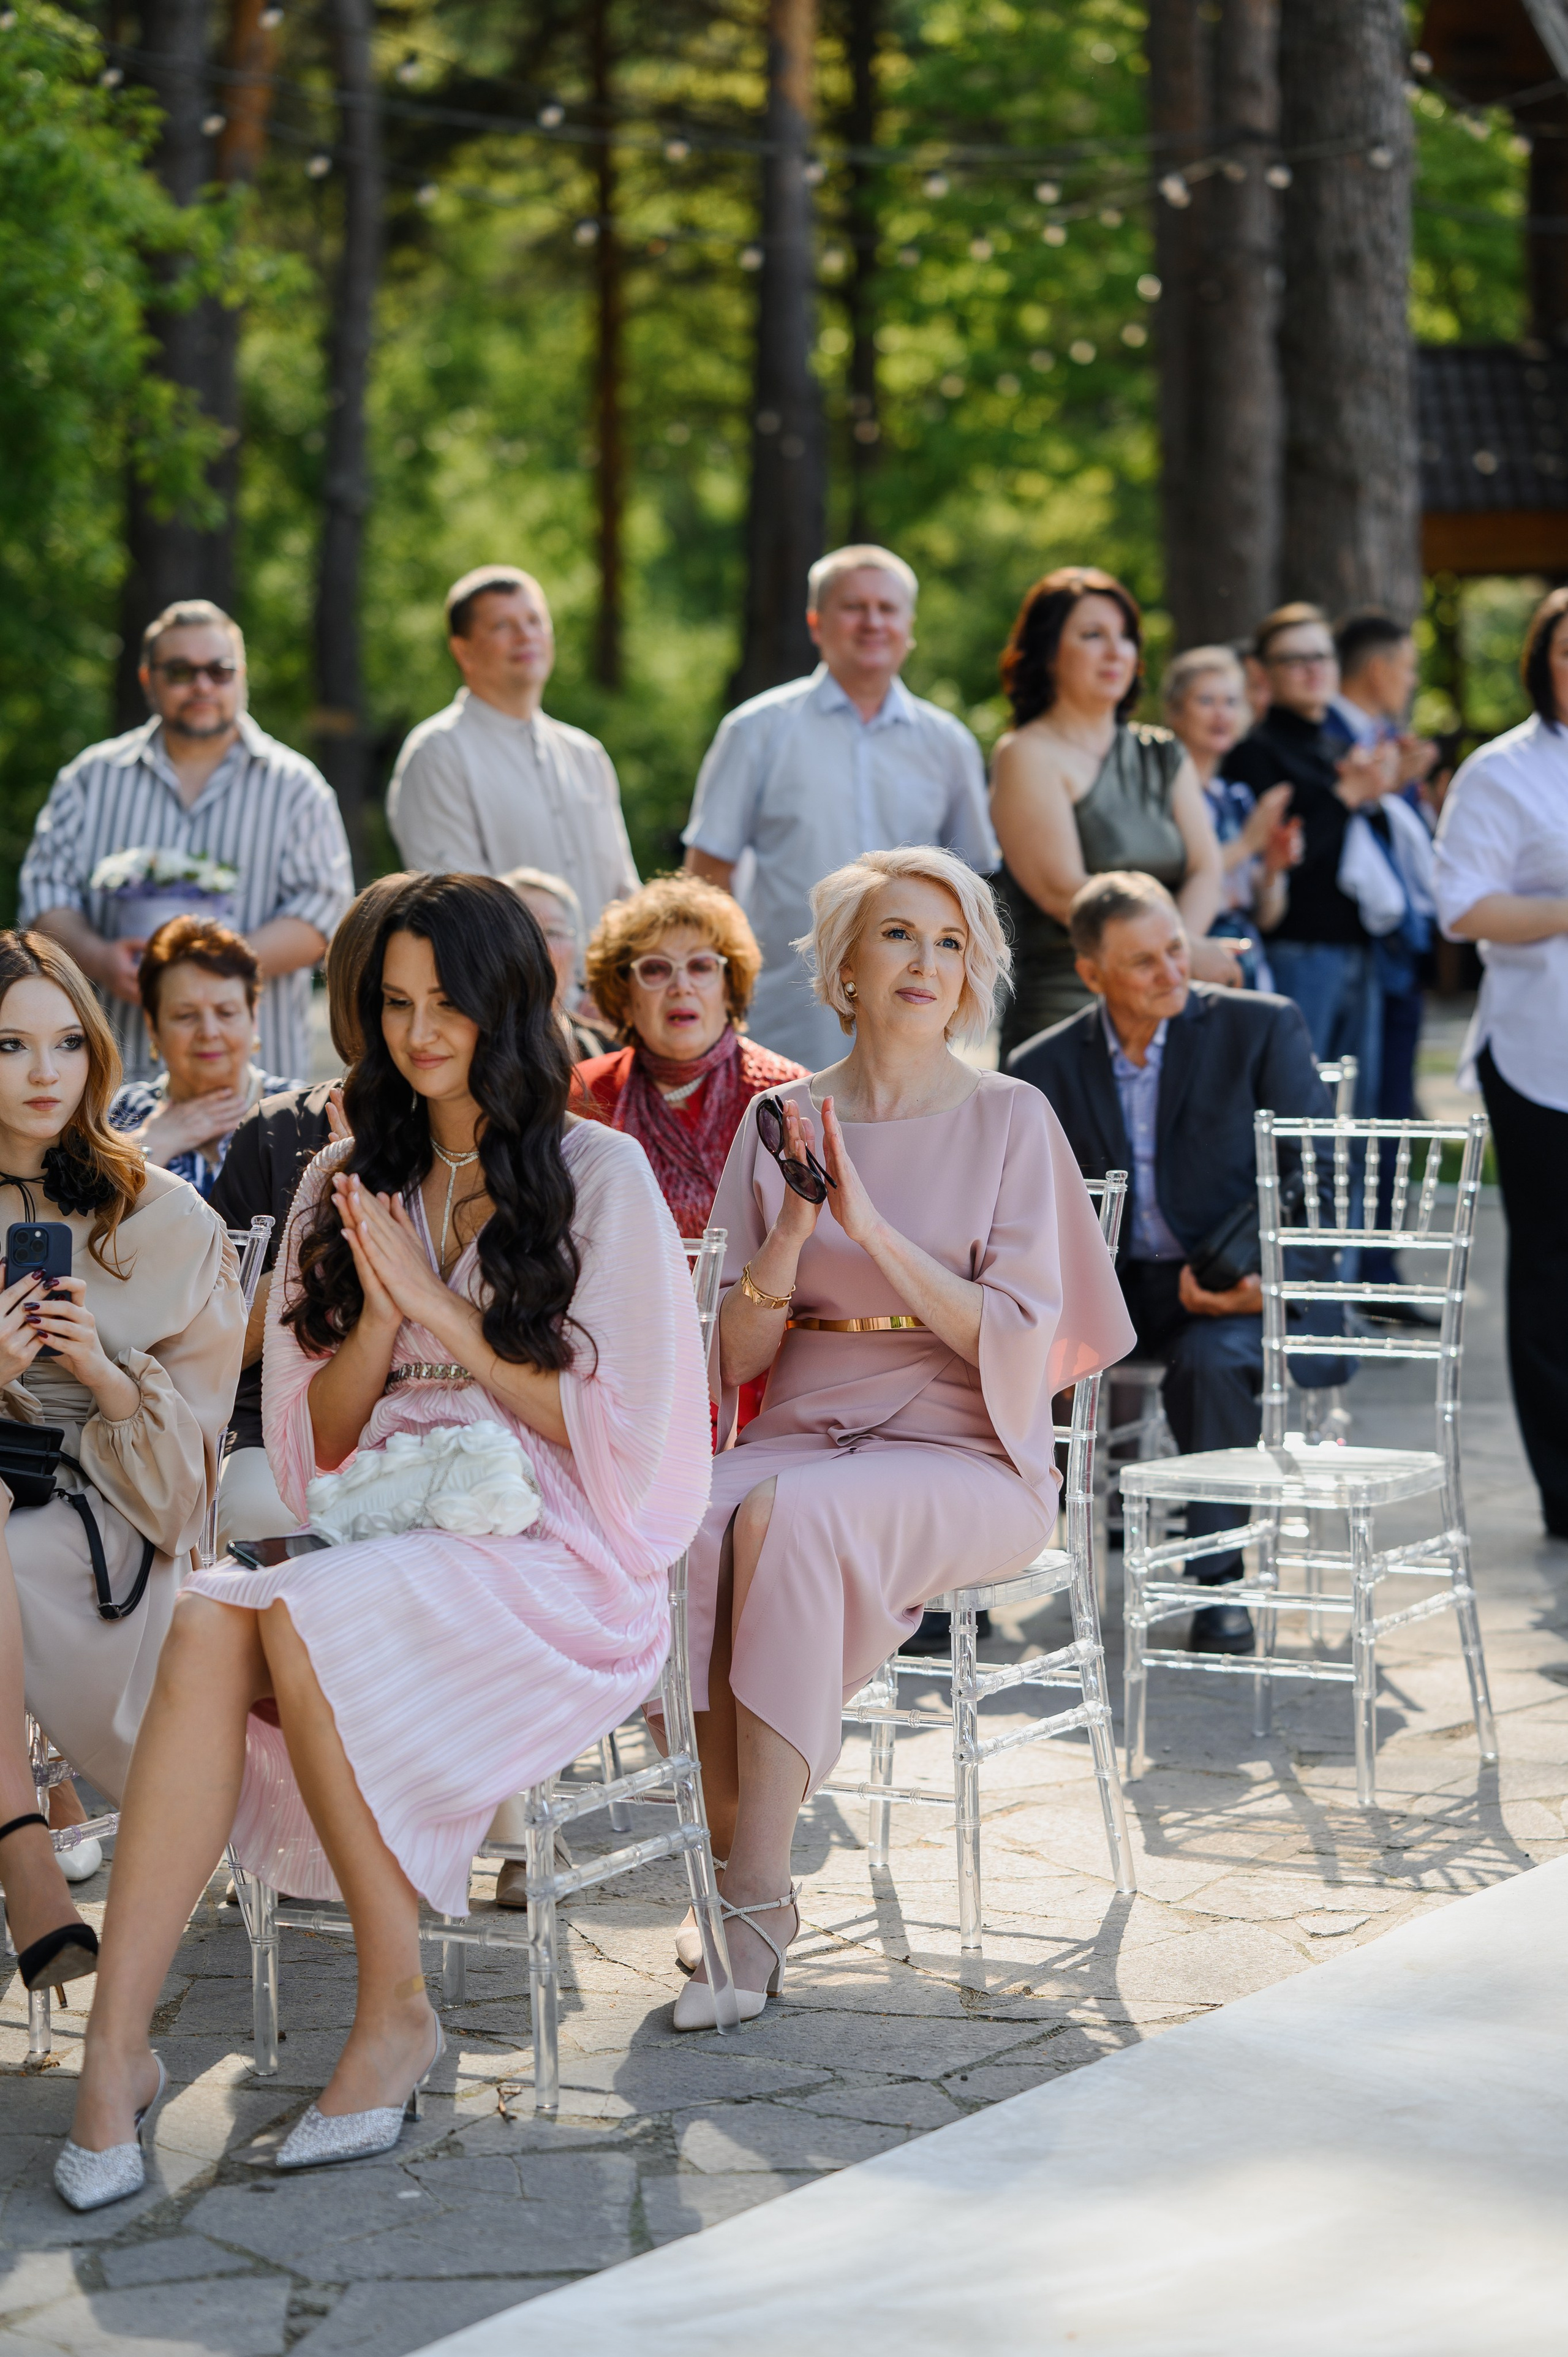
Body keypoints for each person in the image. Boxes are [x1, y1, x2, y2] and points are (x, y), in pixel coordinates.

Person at [58, 875, 712, 2209]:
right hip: (384, 1526)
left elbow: (633, 1441)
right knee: (207, 1612)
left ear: (505, 1006)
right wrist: (375, 1316)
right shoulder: (342, 1179)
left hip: (560, 1553)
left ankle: (395, 2009)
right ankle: (114, 2051)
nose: (420, 1033)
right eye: (395, 1005)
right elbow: (322, 1447)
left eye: (448, 1004)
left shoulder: (598, 1173)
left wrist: (445, 1312)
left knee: (295, 1609)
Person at [665, 846, 1132, 2026]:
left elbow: (1021, 1337)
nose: (927, 960)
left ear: (971, 974)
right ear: (845, 969)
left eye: (951, 941)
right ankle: (733, 1875)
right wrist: (795, 1230)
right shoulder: (776, 1120)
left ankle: (759, 1898)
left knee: (777, 1516)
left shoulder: (1012, 1116)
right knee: (693, 1515)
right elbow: (731, 1360)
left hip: (968, 1447)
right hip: (807, 1421)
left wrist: (872, 1229)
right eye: (898, 936)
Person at [0, 930, 241, 2007]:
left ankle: (23, 1859)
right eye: (9, 1044)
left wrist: (102, 1374)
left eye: (65, 1043)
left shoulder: (160, 1214)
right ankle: (25, 1851)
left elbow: (190, 1484)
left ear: (97, 1053)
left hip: (102, 1513)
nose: (44, 1073)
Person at [1008, 873, 1336, 1655]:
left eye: (1177, 950)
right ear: (1091, 974)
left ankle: (1217, 1584)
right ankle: (984, 1574)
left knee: (1214, 1362)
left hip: (1223, 1286)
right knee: (992, 1354)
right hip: (1101, 1293)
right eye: (1143, 961)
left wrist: (1263, 1283)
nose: (1171, 973)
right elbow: (1014, 1205)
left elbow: (1312, 1172)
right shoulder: (1040, 1065)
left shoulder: (1260, 1028)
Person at [682, 546, 998, 1070]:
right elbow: (708, 873)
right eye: (854, 607)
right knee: (791, 1148)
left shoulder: (949, 743)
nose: (873, 622)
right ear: (816, 623)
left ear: (909, 626)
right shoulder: (755, 730)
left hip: (918, 1010)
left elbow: (975, 887)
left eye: (888, 609)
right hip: (790, 1009)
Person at [20, 600, 353, 1087]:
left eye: (219, 670)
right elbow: (45, 897)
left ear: (242, 677)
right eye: (180, 671)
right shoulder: (89, 780)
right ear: (147, 679)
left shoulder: (298, 786)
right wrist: (99, 958)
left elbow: (324, 913)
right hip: (114, 1081)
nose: (202, 685)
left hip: (259, 1086)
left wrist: (210, 974)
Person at [206, 875, 415, 1554]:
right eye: (392, 992)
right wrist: (323, 1211)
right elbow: (211, 1343)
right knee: (275, 1512)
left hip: (435, 1417)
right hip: (277, 1423)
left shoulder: (484, 1133)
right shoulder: (272, 1133)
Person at [1434, 585, 1568, 1540]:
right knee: (1554, 1270)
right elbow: (1464, 908)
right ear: (1540, 661)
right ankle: (1565, 1489)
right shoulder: (1500, 773)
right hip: (1540, 1056)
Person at [989, 567, 1238, 1060]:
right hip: (1072, 1008)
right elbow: (1066, 890)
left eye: (1125, 637)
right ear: (1048, 653)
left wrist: (1173, 959)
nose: (1116, 651)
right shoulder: (1024, 754)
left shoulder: (1164, 753)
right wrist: (1181, 955)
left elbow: (1206, 868)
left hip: (1169, 999)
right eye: (1092, 636)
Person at [386, 568, 639, 941]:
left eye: (535, 620)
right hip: (511, 995)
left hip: (605, 995)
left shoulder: (586, 755)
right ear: (463, 650)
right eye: (502, 625)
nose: (526, 636)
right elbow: (462, 909)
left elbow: (624, 891)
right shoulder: (438, 754)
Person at [1222, 603, 1395, 1112]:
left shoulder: (1338, 744)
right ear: (1263, 672)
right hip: (1296, 948)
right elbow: (1285, 856)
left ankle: (1355, 1199)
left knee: (1357, 1114)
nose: (1313, 669)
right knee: (1302, 1109)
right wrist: (1345, 796)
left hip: (1359, 946)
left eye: (1321, 655)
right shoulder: (1255, 752)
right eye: (1295, 659)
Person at [575, 875, 806, 1239]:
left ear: (729, 988)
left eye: (700, 966)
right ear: (624, 993)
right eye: (655, 968)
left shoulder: (787, 1095)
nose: (681, 986)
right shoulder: (579, 1096)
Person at [107, 918, 293, 1199]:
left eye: (226, 1013)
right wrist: (151, 1143)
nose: (208, 1032)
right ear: (152, 1025)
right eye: (185, 1016)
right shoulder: (115, 1116)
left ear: (253, 1016)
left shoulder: (302, 1113)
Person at [1161, 645, 1302, 989]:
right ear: (1176, 712)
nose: (1221, 715)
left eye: (1231, 702)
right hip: (1188, 963)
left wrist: (1273, 868)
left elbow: (1267, 916)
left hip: (1246, 964)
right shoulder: (1161, 796)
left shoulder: (1236, 798)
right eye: (1206, 701)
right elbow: (1170, 884)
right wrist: (1246, 844)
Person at [501, 865, 614, 1064]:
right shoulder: (466, 1046)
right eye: (523, 932)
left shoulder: (607, 1052)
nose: (540, 947)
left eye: (553, 932)